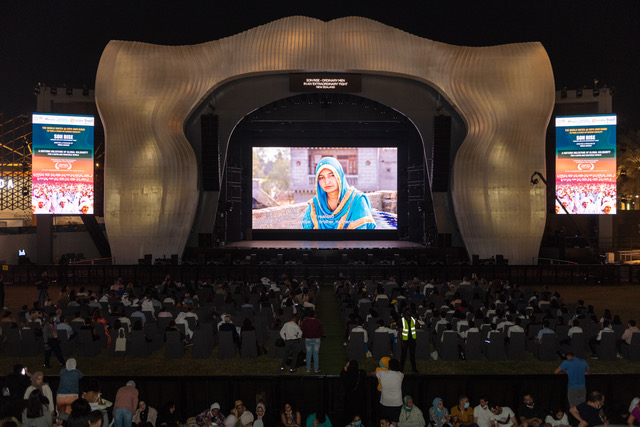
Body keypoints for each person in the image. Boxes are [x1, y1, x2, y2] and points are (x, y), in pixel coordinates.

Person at [302, 156, 375, 230]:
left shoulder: (357, 201)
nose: (327, 181)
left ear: (339, 175)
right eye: (321, 177)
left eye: (331, 175)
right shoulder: (315, 205)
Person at [375, 358, 404, 427]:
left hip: (385, 402)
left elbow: (376, 374)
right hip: (397, 403)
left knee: (384, 422)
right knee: (394, 423)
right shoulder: (400, 375)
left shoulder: (382, 373)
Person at [341, 360, 368, 425]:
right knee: (359, 415)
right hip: (359, 399)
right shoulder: (360, 373)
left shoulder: (347, 375)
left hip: (349, 400)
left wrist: (345, 367)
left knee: (349, 416)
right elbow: (364, 373)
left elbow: (342, 375)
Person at [399, 309, 419, 373]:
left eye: (409, 313)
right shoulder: (401, 320)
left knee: (412, 355)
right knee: (403, 355)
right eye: (407, 313)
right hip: (405, 340)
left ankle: (414, 368)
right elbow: (400, 332)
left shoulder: (413, 320)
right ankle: (401, 369)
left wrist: (415, 319)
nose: (408, 314)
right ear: (404, 314)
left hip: (412, 340)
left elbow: (418, 326)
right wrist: (402, 342)